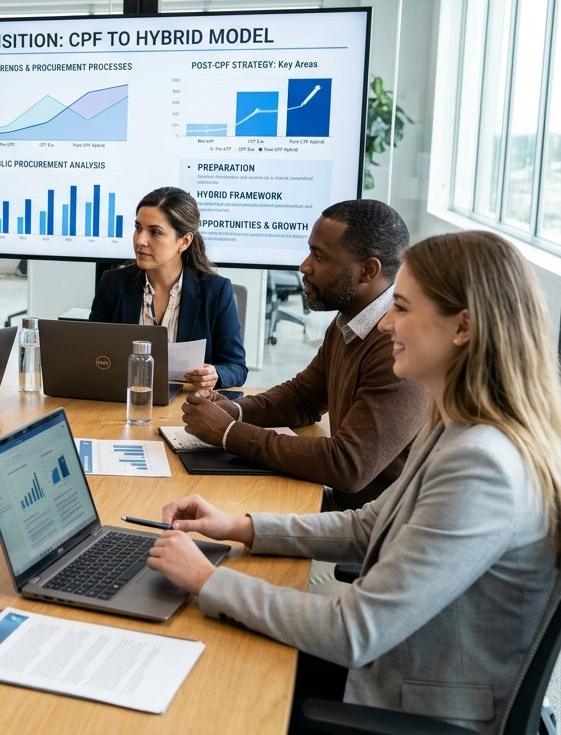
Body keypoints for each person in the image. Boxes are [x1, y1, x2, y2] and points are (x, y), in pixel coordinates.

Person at [148, 230, 561, 733]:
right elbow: (371, 526)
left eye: (403, 308)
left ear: (463, 328)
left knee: (205, 672)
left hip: (409, 709)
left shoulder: (485, 464)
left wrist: (209, 579)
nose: (386, 322)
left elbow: (354, 631)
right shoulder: (462, 426)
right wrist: (239, 526)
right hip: (393, 666)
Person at [181, 199, 428, 509]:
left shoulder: (399, 346)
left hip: (381, 528)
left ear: (368, 270)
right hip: (352, 510)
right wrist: (236, 411)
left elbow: (348, 465)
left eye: (319, 256)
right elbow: (303, 398)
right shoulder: (349, 322)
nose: (304, 266)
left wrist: (230, 433)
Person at [89, 186, 247, 389]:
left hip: (186, 405)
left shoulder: (215, 291)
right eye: (138, 228)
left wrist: (215, 374)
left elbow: (237, 367)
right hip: (124, 401)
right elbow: (92, 356)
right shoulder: (113, 284)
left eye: (155, 232)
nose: (140, 240)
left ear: (184, 241)